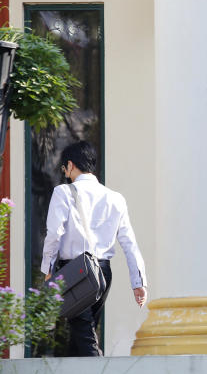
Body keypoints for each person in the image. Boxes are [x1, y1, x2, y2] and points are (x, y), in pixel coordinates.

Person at [41, 141, 148, 356]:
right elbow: (129, 242)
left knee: (84, 335)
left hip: (74, 271)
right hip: (103, 273)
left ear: (70, 165)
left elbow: (54, 234)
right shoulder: (116, 198)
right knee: (80, 335)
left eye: (64, 169)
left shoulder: (63, 192)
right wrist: (139, 282)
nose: (65, 173)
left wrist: (48, 269)